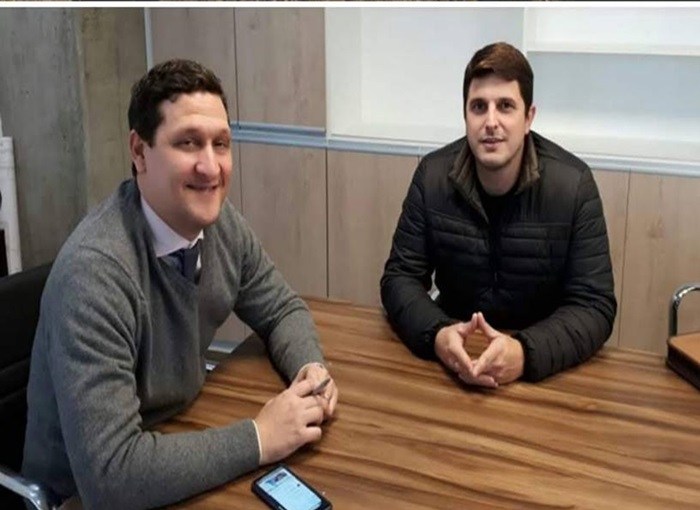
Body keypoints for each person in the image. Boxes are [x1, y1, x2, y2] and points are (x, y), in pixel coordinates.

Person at [22, 59, 338, 510]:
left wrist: (309, 367)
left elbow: (282, 308)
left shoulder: (219, 224)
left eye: (221, 144)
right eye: (188, 142)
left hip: (180, 440)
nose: (210, 167)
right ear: (139, 151)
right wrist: (260, 437)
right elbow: (112, 476)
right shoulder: (93, 274)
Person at [381, 42, 616, 388]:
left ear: (528, 118)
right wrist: (438, 334)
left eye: (505, 106)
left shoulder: (573, 185)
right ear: (465, 115)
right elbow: (399, 278)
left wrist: (525, 352)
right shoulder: (431, 177)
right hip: (455, 360)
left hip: (543, 370)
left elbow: (594, 305)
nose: (491, 122)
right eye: (479, 107)